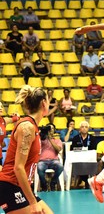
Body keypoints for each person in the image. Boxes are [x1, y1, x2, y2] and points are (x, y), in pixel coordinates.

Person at [0, 85, 54, 214]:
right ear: (43, 103)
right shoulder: (27, 127)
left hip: (20, 186)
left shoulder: (32, 127)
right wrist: (33, 202)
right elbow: (18, 167)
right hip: (10, 185)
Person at [70, 120, 97, 189]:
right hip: (78, 159)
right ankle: (85, 181)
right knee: (80, 165)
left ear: (88, 129)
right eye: (82, 127)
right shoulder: (75, 138)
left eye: (86, 127)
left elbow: (94, 149)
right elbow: (73, 148)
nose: (84, 128)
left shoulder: (92, 138)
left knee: (89, 165)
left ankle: (85, 181)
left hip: (89, 159)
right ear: (80, 129)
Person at [37, 123, 63, 192]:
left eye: (52, 129)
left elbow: (58, 149)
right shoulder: (40, 140)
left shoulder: (57, 140)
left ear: (54, 131)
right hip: (42, 161)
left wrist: (50, 139)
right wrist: (40, 135)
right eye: (49, 129)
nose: (50, 130)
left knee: (60, 166)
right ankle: (44, 185)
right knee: (39, 167)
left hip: (54, 161)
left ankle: (53, 182)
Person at [0, 101, 20, 171]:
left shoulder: (3, 120)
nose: (0, 108)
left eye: (2, 106)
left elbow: (16, 118)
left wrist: (16, 115)